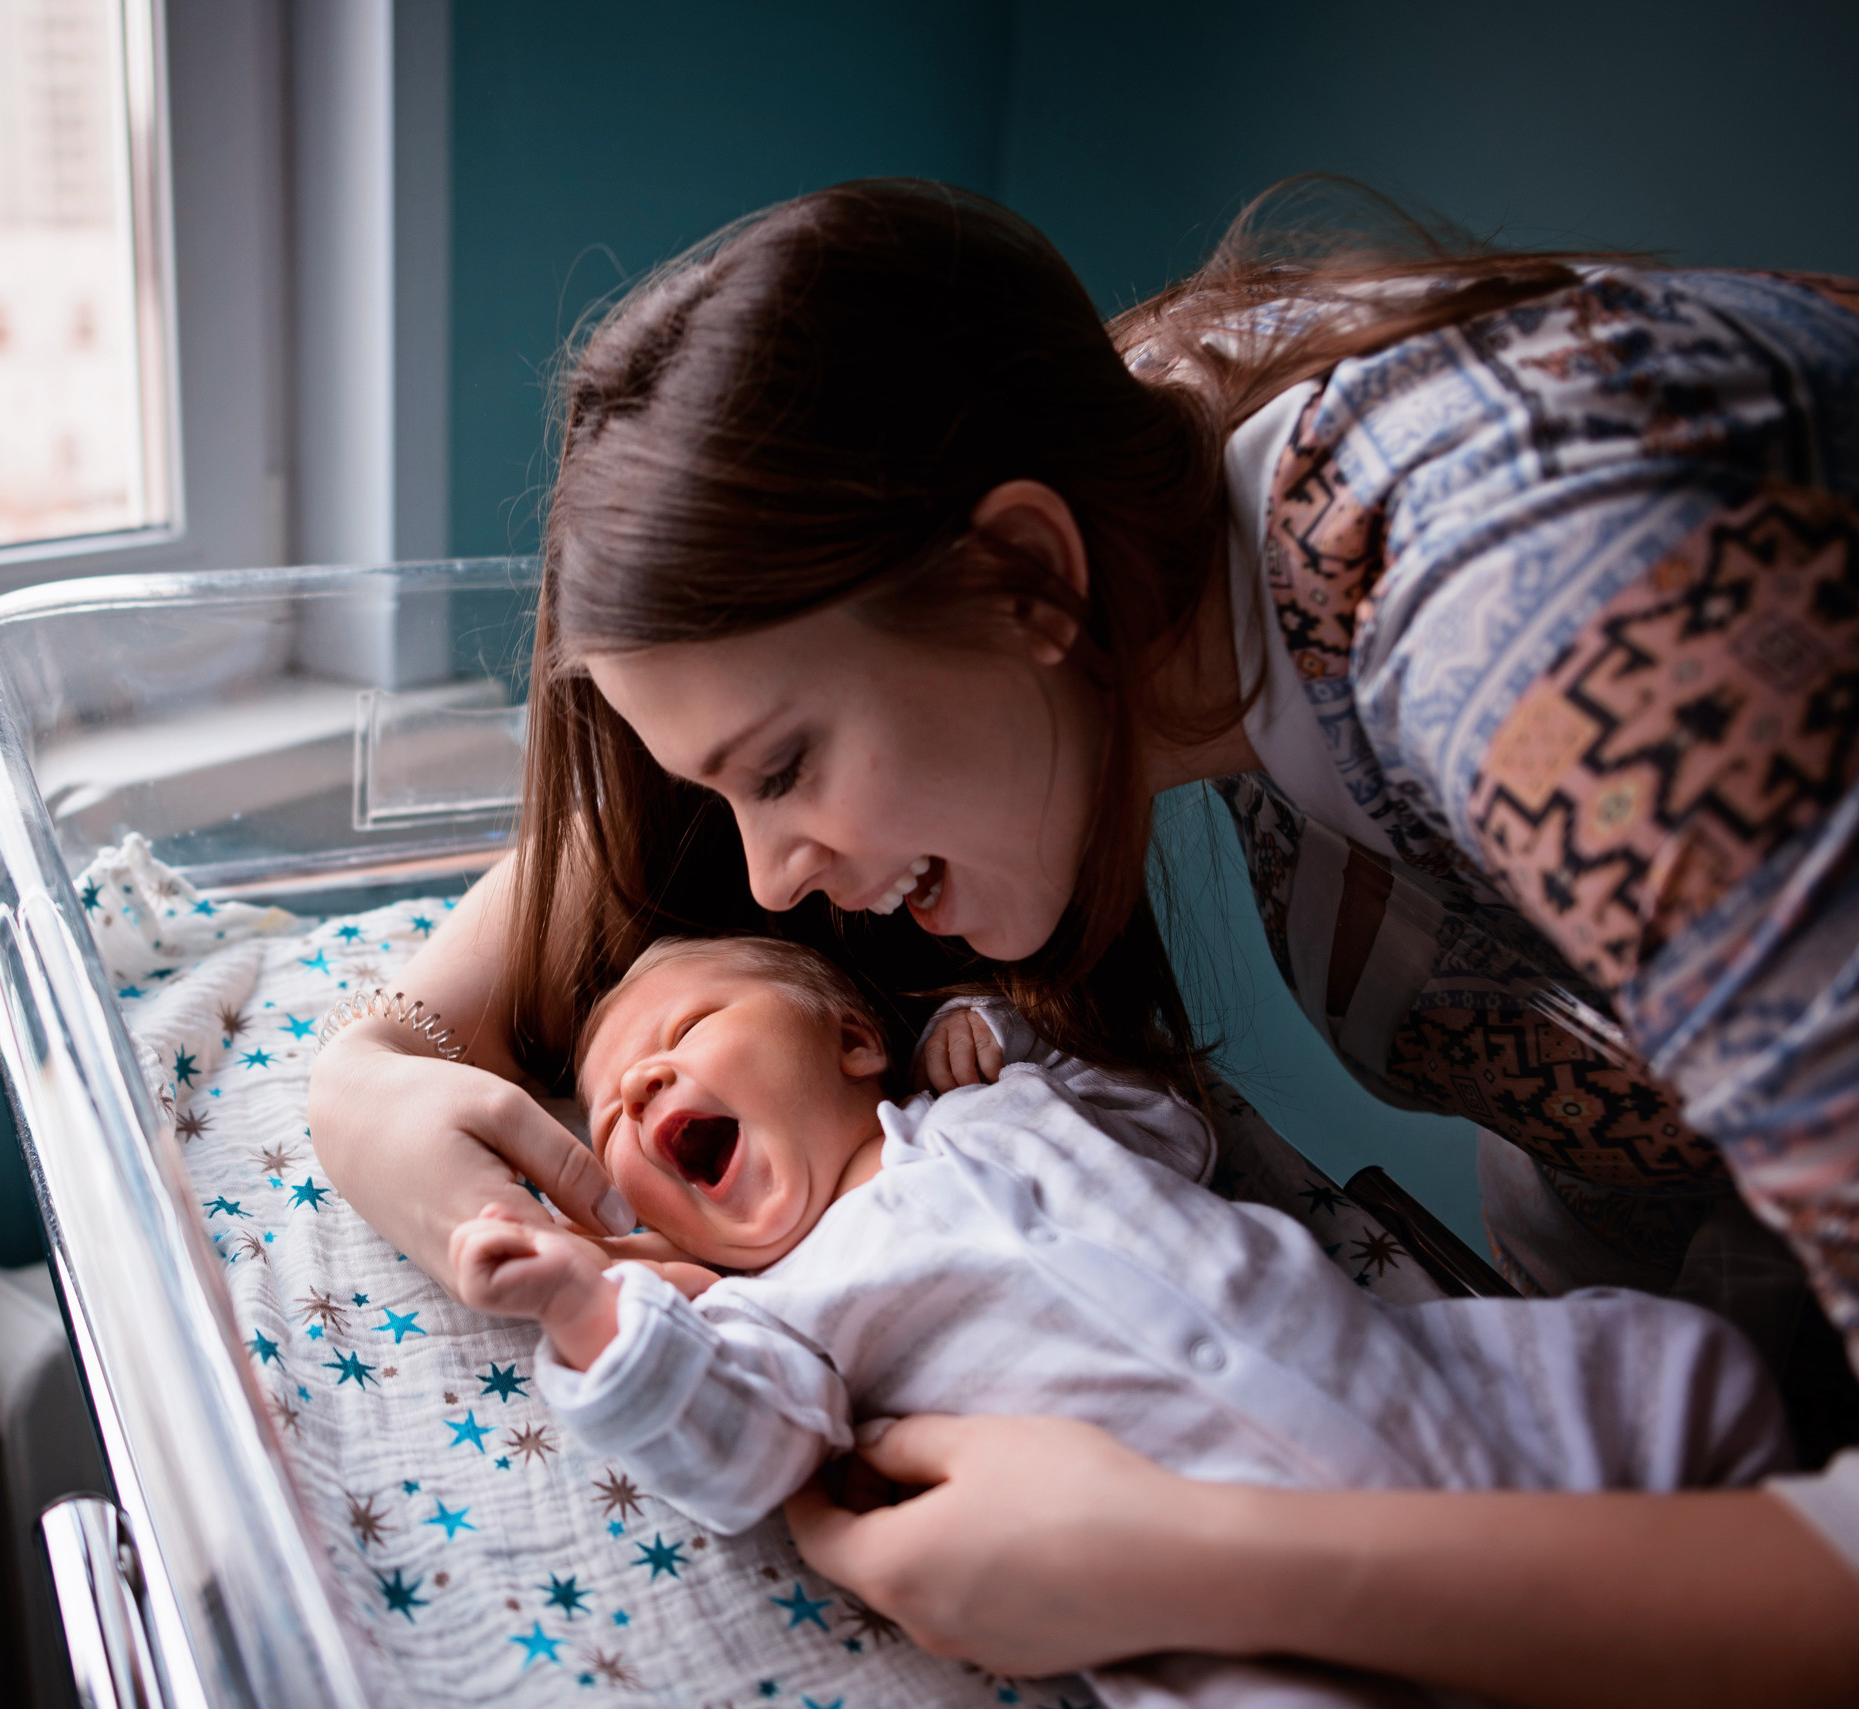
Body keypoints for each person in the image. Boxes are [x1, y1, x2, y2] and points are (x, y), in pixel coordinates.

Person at [308, 177, 1859, 1704]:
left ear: (1030, 575)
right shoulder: (1119, 435)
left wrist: (1192, 1560)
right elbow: (607, 886)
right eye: (731, 787)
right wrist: (371, 1065)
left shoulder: (1548, 629)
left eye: (783, 770)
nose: (770, 881)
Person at [451, 934, 1786, 1707]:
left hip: (1438, 1386)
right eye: (618, 1108)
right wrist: (592, 1309)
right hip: (1239, 1628)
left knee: (1683, 1364)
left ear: (858, 1040)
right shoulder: (782, 1314)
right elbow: (733, 1445)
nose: (643, 1088)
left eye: (683, 1027)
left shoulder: (1001, 1110)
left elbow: (1177, 1133)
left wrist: (1019, 1046)